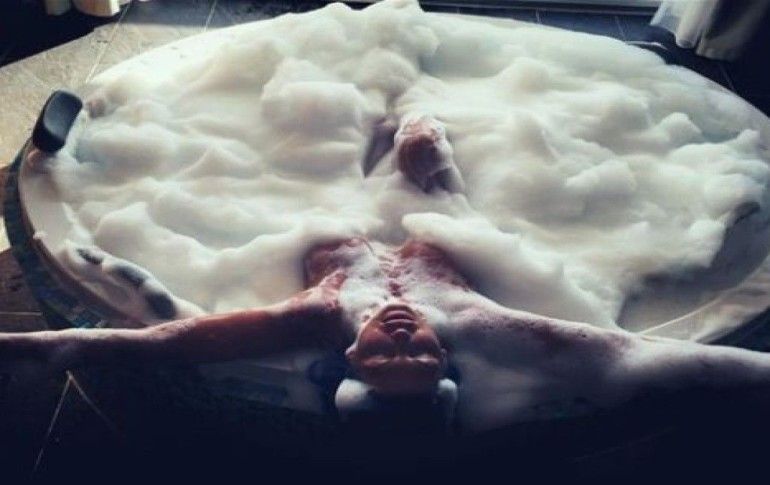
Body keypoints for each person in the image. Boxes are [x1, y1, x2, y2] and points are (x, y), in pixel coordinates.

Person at [4, 112, 770, 432]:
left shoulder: (317, 314)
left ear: (351, 355)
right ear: (443, 355)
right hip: (433, 207)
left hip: (319, 204)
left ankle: (378, 109)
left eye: (384, 354)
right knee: (423, 141)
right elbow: (635, 356)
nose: (401, 336)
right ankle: (411, 117)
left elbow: (167, 343)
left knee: (330, 125)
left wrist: (46, 346)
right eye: (418, 355)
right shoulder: (477, 321)